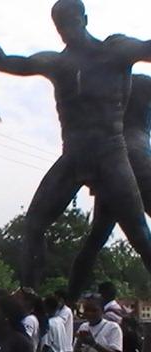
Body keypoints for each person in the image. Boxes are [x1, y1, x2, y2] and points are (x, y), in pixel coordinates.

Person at [0, 1, 151, 289]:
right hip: (74, 157)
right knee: (34, 223)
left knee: (139, 235)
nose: (66, 30)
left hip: (111, 153)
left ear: (85, 19)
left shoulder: (116, 52)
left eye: (70, 22)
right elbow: (6, 62)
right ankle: (29, 294)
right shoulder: (56, 63)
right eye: (60, 25)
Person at [68, 74, 151, 301]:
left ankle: (68, 301)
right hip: (138, 156)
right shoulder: (144, 83)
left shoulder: (105, 88)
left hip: (111, 163)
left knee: (95, 240)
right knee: (140, 238)